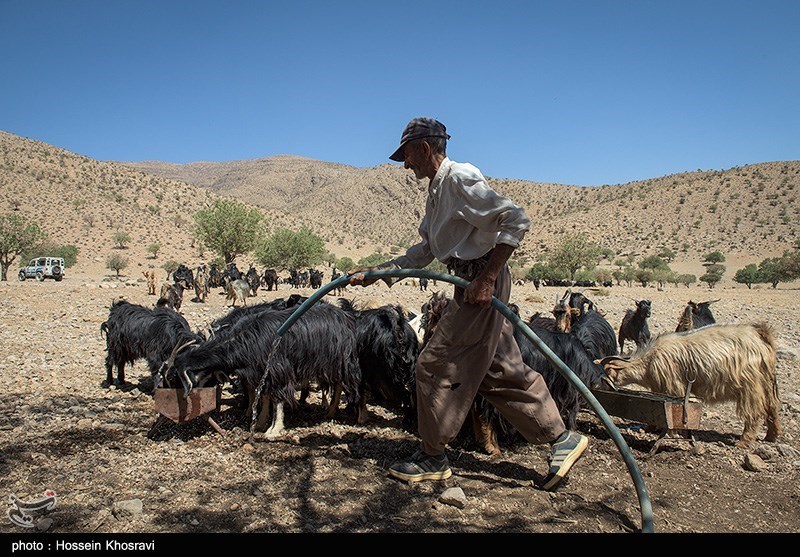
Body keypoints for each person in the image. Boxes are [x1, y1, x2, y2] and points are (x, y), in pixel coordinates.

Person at [350, 117, 588, 491]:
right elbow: (425, 251)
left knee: (431, 365)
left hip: (478, 281)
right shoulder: (436, 191)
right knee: (499, 369)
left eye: (408, 155)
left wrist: (488, 277)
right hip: (469, 279)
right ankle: (562, 438)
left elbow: (515, 219)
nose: (406, 163)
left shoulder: (459, 178)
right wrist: (379, 271)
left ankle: (433, 456)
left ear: (425, 148)